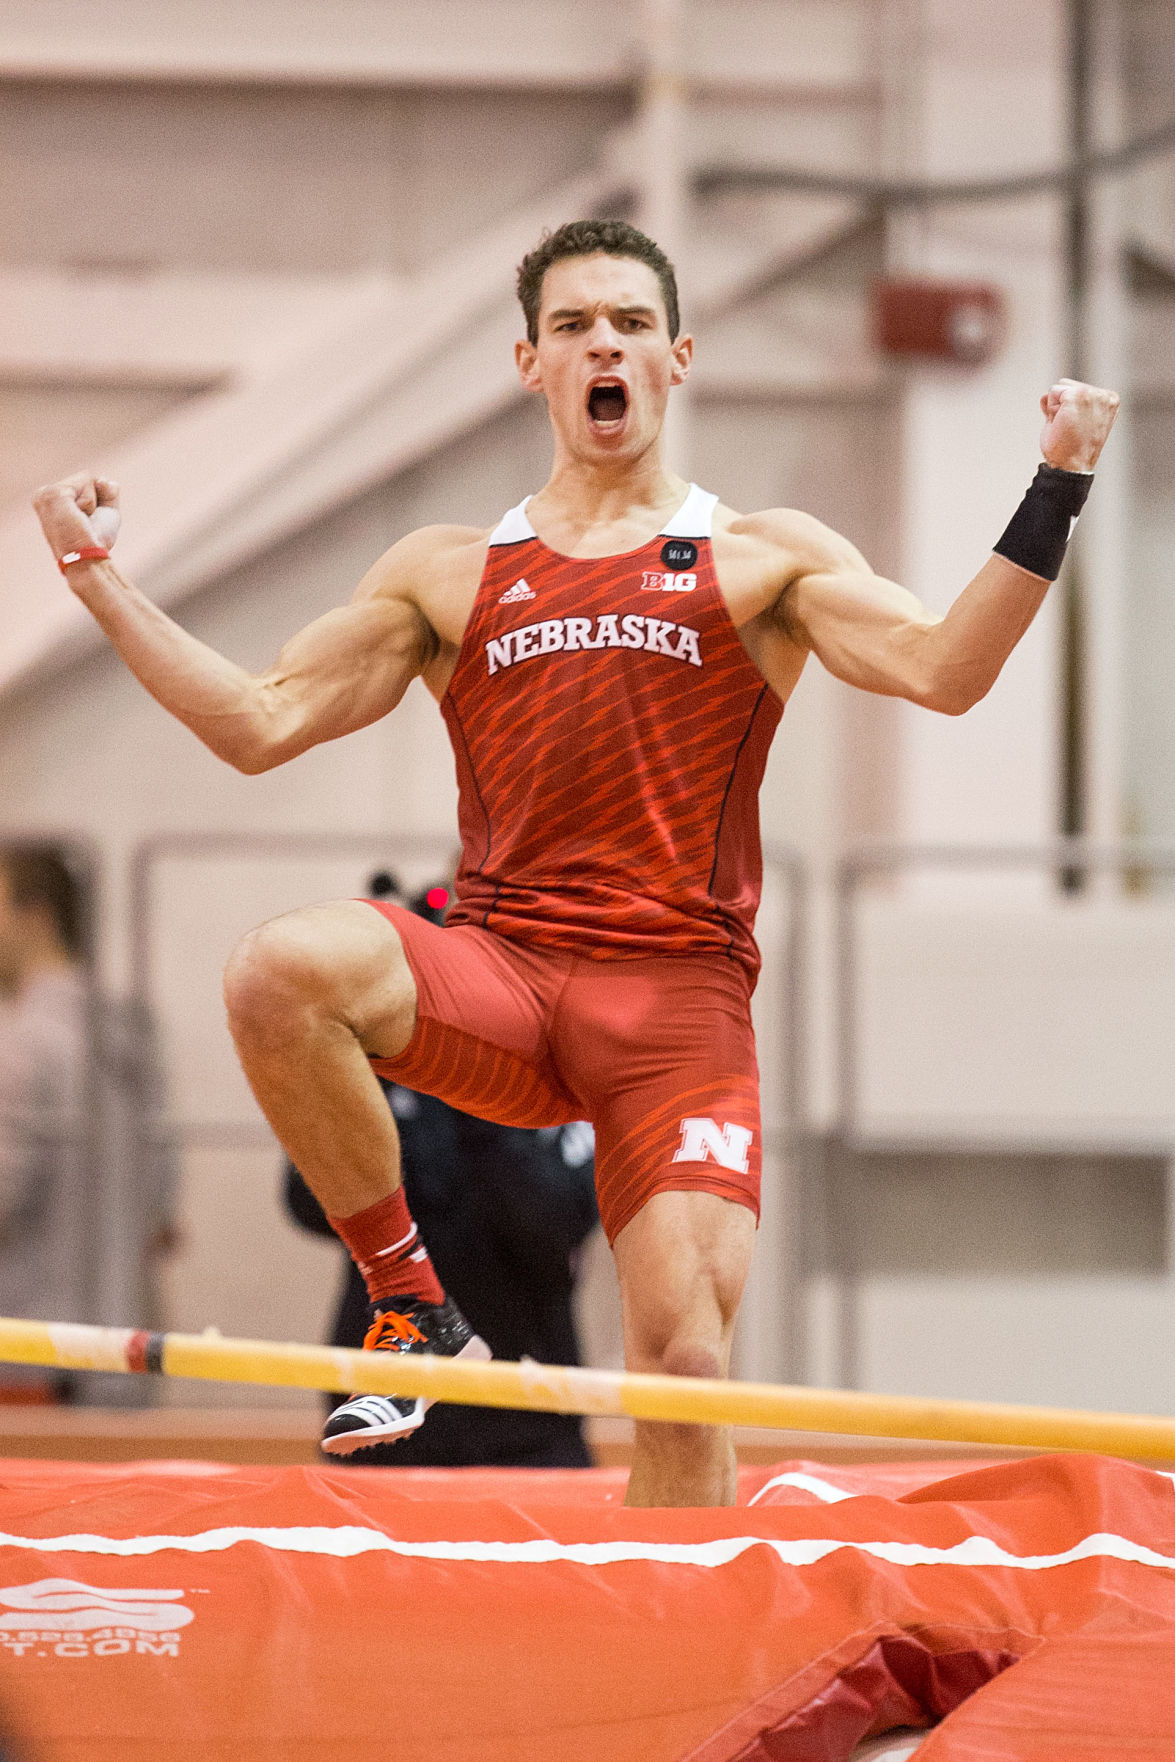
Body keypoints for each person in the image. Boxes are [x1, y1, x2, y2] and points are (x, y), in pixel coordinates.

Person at [32, 217, 1119, 1505]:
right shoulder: (446, 574)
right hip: (500, 972)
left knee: (686, 1368)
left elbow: (945, 669)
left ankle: (681, 1620)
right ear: (529, 363)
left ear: (676, 358)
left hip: (674, 1007)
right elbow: (258, 723)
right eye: (571, 325)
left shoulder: (761, 557)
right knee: (278, 971)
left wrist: (1057, 479)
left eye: (629, 323)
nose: (602, 343)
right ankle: (410, 1307)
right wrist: (96, 578)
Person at [284, 878, 599, 1468]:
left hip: (531, 1424)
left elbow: (554, 1222)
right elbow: (306, 1197)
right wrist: (397, 1065)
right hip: (382, 1420)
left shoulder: (567, 1061)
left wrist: (475, 1082)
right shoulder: (376, 1060)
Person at [0, 843, 177, 1401]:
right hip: (123, 1350)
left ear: (34, 914)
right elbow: (162, 1212)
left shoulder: (20, 1045)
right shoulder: (131, 1035)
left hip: (28, 1354)